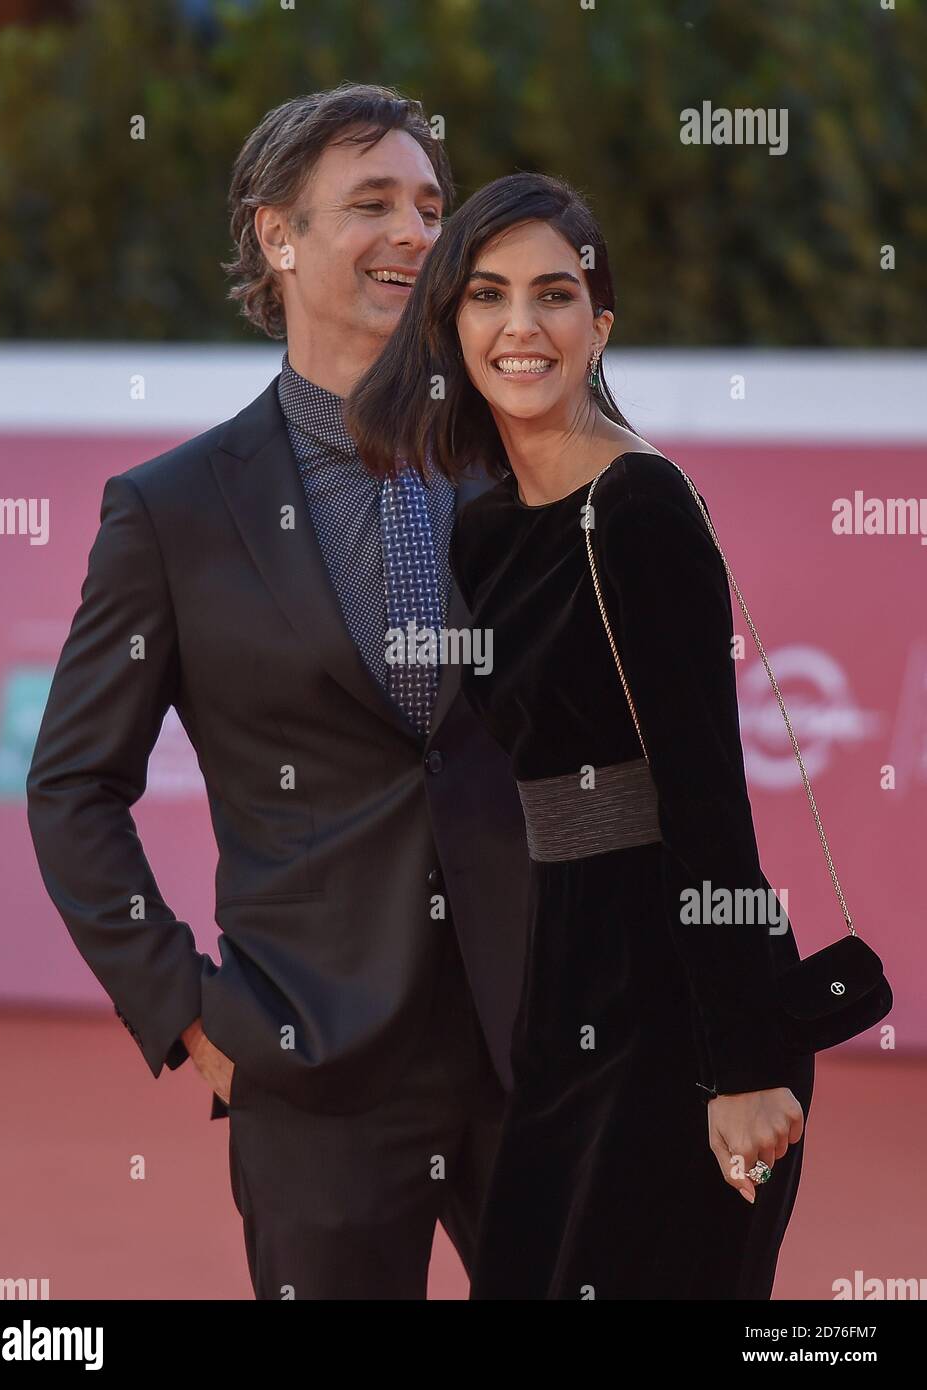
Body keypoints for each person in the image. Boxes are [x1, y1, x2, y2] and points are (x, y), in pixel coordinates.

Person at [25, 85, 532, 1300]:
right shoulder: (176, 510)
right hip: (313, 1062)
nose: (416, 233)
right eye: (372, 205)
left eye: (430, 205)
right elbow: (72, 788)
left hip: (537, 1041)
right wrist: (194, 1018)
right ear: (278, 235)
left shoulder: (522, 464)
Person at [344, 170, 817, 1299]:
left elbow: (707, 796)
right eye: (489, 295)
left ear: (598, 326)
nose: (521, 326)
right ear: (451, 325)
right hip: (565, 989)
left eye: (555, 295)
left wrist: (742, 1068)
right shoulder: (488, 529)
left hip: (681, 996)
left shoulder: (643, 507)